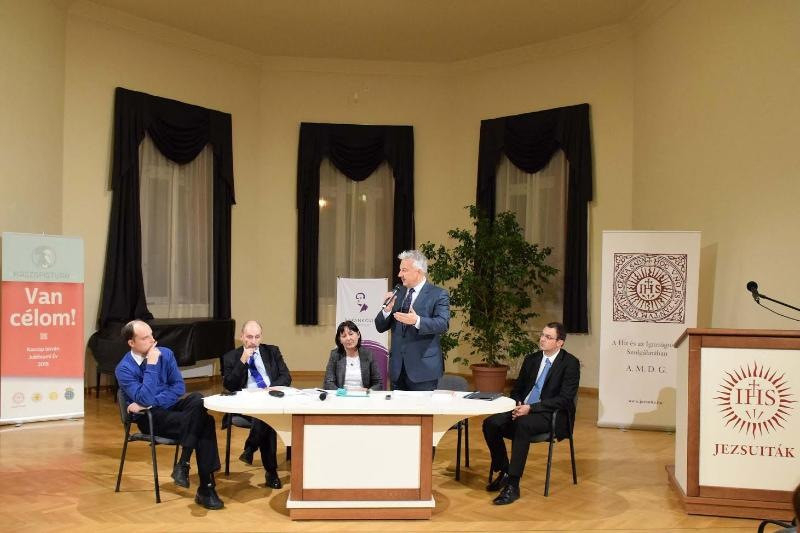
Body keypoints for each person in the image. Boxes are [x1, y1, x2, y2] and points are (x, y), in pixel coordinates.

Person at [115, 320, 223, 510]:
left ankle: (184, 463)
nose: (152, 340)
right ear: (131, 342)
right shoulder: (124, 368)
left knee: (197, 399)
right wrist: (152, 365)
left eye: (151, 335)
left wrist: (151, 401)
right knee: (205, 422)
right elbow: (145, 397)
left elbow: (178, 387)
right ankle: (206, 488)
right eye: (145, 338)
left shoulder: (166, 354)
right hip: (150, 418)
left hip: (167, 407)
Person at [482, 322, 580, 505]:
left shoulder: (570, 363)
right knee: (490, 423)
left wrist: (531, 408)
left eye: (548, 337)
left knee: (522, 425)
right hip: (523, 408)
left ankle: (513, 485)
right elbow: (517, 389)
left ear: (560, 342)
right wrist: (518, 402)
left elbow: (565, 399)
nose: (542, 339)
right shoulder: (532, 359)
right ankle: (505, 470)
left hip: (549, 413)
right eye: (542, 335)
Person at [221, 320, 291, 489]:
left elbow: (286, 377)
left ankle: (250, 448)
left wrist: (271, 388)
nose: (253, 341)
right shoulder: (231, 357)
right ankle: (271, 472)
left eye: (257, 337)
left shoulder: (272, 351)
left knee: (266, 414)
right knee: (266, 418)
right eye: (249, 337)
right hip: (246, 405)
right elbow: (230, 385)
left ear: (261, 337)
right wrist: (242, 361)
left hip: (270, 398)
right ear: (242, 336)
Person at [375, 249, 450, 391]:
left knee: (421, 406)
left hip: (423, 371)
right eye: (400, 270)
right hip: (397, 370)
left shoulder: (438, 294)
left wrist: (417, 321)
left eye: (404, 270)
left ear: (418, 271)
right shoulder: (398, 292)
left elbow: (443, 324)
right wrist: (387, 310)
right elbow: (380, 326)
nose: (399, 274)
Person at [323, 320, 383, 390]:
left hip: (363, 395)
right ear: (340, 340)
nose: (348, 338)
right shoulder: (335, 355)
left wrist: (368, 391)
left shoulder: (368, 354)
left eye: (351, 334)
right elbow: (328, 382)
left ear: (358, 334)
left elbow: (378, 383)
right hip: (342, 395)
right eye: (344, 336)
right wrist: (342, 392)